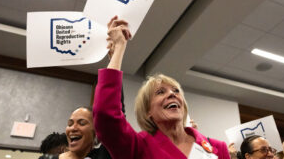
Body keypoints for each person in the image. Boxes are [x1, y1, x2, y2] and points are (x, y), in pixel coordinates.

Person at [93, 16, 230, 158]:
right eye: (160, 92)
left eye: (176, 90)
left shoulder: (217, 148)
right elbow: (106, 115)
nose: (172, 94)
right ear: (147, 112)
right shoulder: (138, 146)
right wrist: (119, 48)